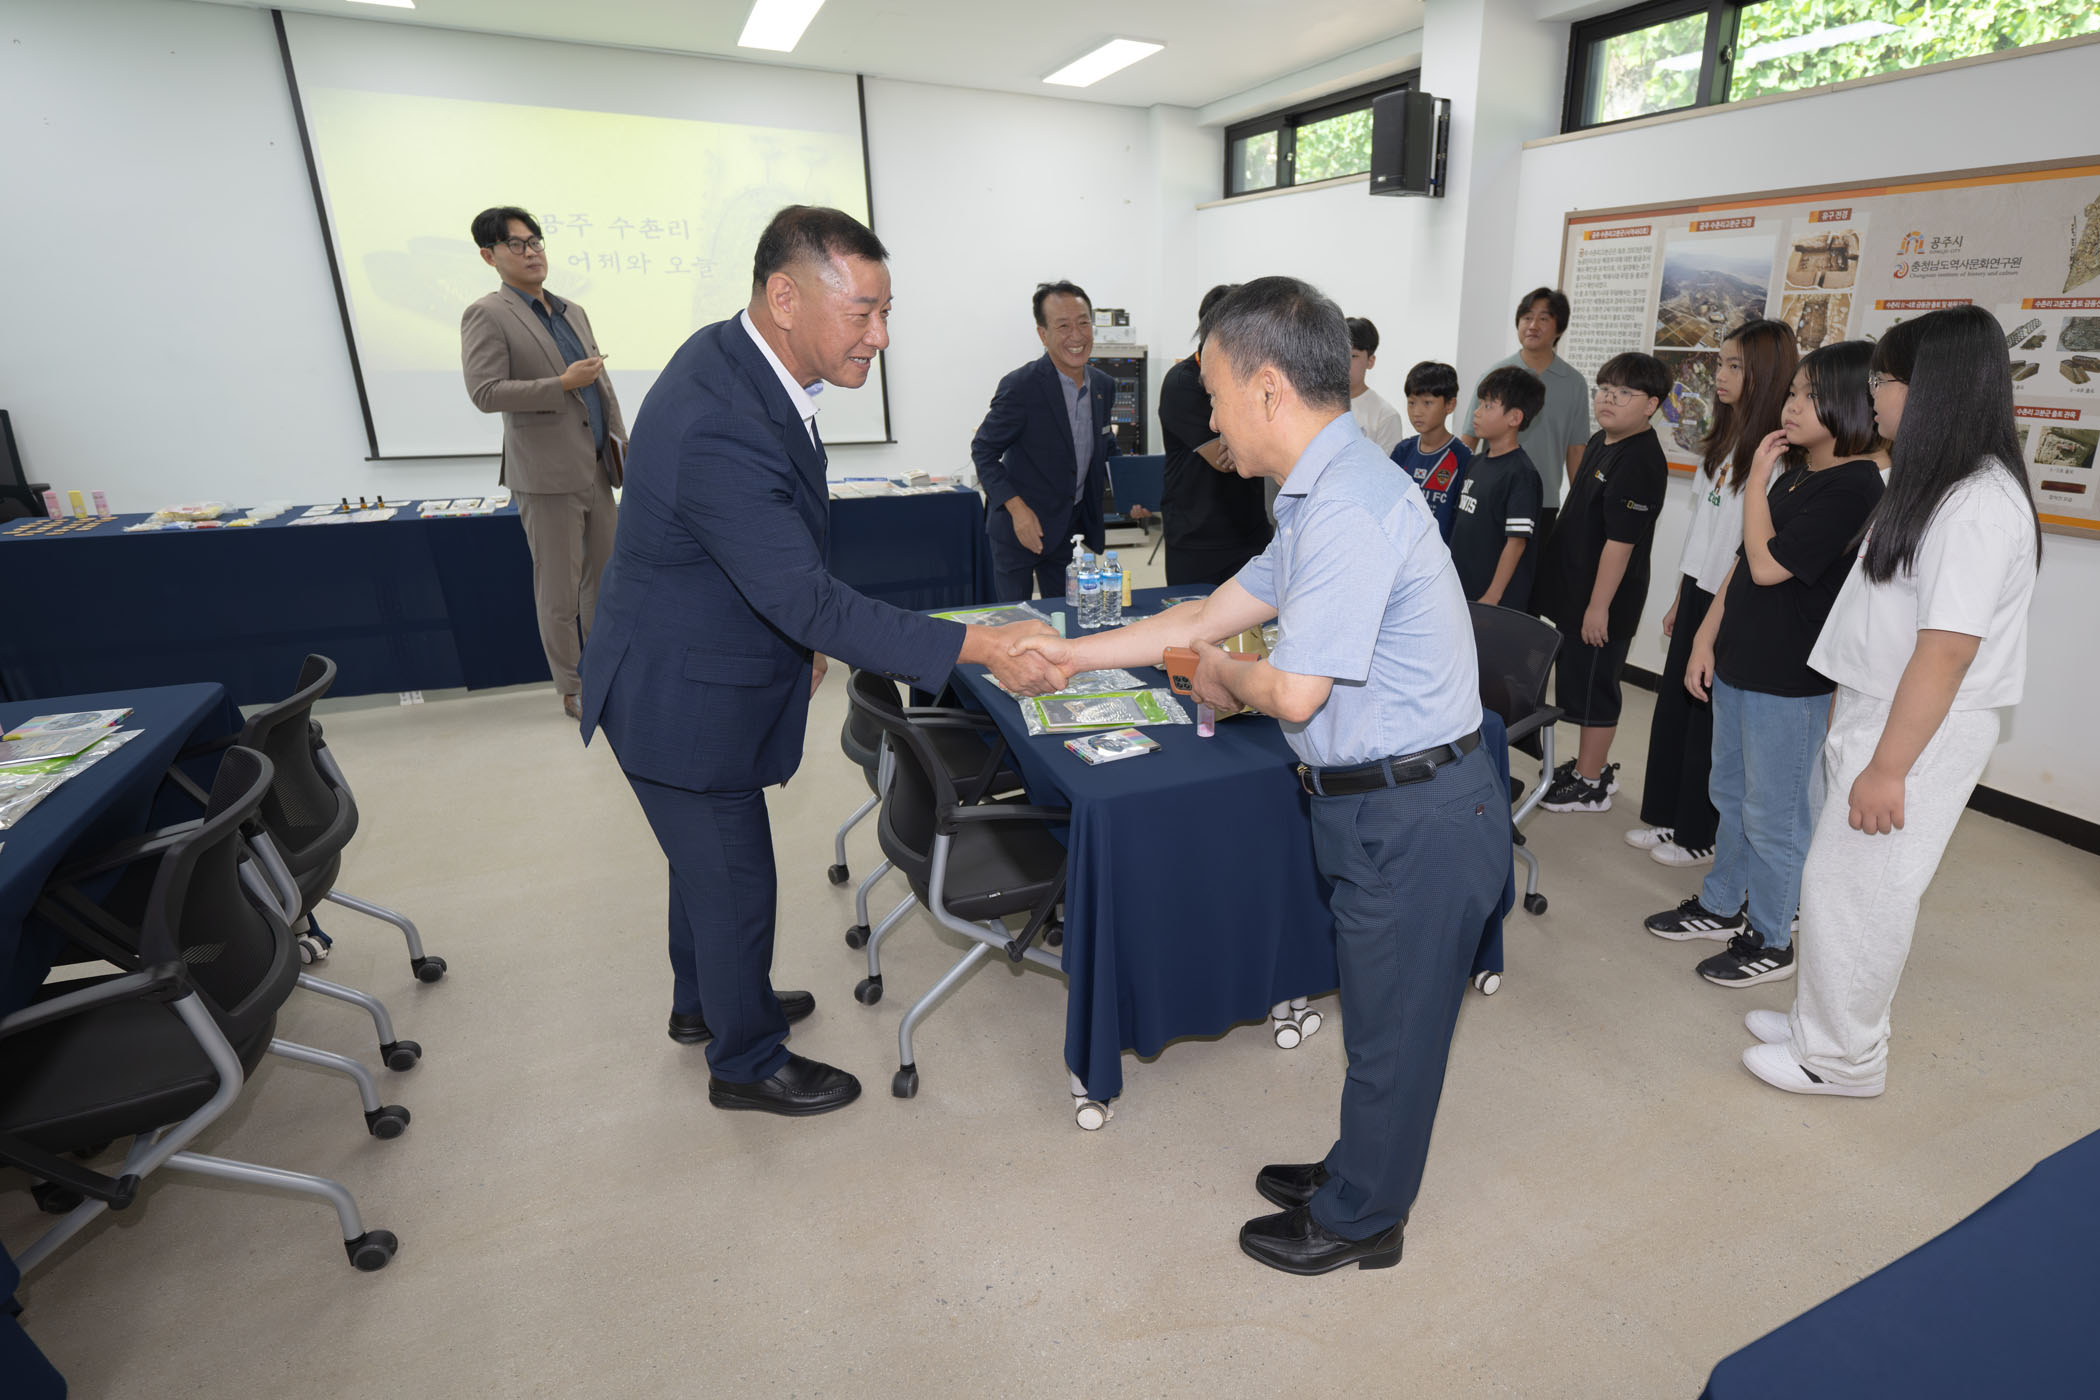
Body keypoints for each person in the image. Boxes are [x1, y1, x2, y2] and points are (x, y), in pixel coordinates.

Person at [1013, 277, 1508, 1277]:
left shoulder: (1351, 505)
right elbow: (1206, 613)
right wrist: (1070, 655)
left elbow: (1288, 690)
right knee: (1380, 1014)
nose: (1208, 419)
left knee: (1395, 1032)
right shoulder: (1322, 492)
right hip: (1379, 803)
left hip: (1415, 813)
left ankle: (1365, 1217)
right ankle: (1358, 1168)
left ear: (1268, 388)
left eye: (1213, 394)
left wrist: (1219, 675)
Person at [578, 206, 1064, 1118]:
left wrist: (799, 640)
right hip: (678, 693)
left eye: (887, 312)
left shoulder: (737, 358)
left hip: (691, 657)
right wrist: (982, 646)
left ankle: (706, 1004)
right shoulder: (722, 419)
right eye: (862, 313)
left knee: (701, 868)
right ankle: (745, 1060)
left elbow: (773, 559)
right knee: (733, 877)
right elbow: (806, 596)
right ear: (785, 297)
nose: (880, 337)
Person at [1741, 306, 2039, 1097]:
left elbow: (1946, 651)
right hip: (1882, 708)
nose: (1872, 393)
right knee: (1835, 880)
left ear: (1935, 386)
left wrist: (1888, 767)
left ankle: (1842, 1059)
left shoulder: (1977, 503)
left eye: (1884, 379)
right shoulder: (1934, 481)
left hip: (1918, 727)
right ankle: (1820, 1021)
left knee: (1863, 892)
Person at [1646, 342, 1886, 988]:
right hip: (1740, 663)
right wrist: (1705, 639)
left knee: (1775, 816)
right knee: (1731, 795)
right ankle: (1723, 902)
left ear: (1850, 405)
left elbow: (1767, 564)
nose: (1792, 406)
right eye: (1793, 393)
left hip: (1789, 680)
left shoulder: (1855, 486)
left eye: (1810, 396)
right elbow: (1738, 569)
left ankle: (1772, 938)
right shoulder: (1798, 472)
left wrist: (1755, 480)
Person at [1629, 319, 1797, 868]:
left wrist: (1711, 609)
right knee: (1675, 711)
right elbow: (1702, 530)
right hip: (1699, 588)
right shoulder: (1724, 439)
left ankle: (1700, 832)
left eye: (1734, 366)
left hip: (1735, 598)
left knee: (1708, 722)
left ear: (1766, 374)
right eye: (1720, 363)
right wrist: (1682, 597)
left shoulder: (1778, 454)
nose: (1720, 376)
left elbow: (1750, 547)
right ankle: (1670, 816)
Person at [461, 205, 628, 720]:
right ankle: (573, 687)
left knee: (606, 583)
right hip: (545, 476)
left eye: (536, 241)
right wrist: (560, 384)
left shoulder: (572, 310)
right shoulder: (487, 314)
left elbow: (600, 385)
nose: (532, 252)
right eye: (517, 244)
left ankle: (607, 672)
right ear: (489, 256)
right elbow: (485, 392)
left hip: (597, 467)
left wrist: (621, 446)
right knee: (559, 591)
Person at [1532, 352, 1672, 813]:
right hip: (1578, 594)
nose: (1609, 399)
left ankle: (1592, 782)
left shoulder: (1640, 459)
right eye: (1605, 389)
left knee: (1595, 688)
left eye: (1624, 393)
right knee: (1576, 683)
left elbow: (1620, 543)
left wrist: (1598, 608)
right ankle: (1586, 767)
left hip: (1604, 601)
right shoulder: (1602, 440)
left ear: (1651, 405)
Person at [972, 281, 1119, 601]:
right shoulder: (1021, 386)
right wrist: (1017, 510)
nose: (1077, 335)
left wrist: (1131, 489)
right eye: (1063, 326)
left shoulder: (1103, 386)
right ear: (1043, 334)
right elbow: (983, 451)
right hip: (1018, 528)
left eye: (1083, 323)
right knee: (1016, 620)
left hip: (1068, 529)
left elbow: (1105, 447)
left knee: (1065, 616)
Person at [1158, 284, 1273, 585]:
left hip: (1250, 532)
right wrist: (1263, 443)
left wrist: (1248, 445)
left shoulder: (1254, 378)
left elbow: (1249, 450)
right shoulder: (1183, 384)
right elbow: (1225, 460)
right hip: (1198, 539)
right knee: (1197, 614)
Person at [1462, 287, 1592, 530]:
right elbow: (1469, 438)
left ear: (1559, 328)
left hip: (1543, 501)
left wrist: (1581, 507)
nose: (1533, 325)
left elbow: (1576, 450)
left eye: (1543, 318)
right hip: (1491, 492)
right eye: (1527, 317)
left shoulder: (1574, 383)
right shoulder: (1495, 374)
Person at [1453, 365, 1544, 611]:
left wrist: (1492, 596)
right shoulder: (1475, 463)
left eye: (1488, 406)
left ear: (1514, 418)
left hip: (1493, 602)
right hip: (1463, 591)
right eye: (1480, 403)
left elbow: (1516, 543)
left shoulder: (1521, 474)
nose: (1477, 412)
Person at [1391, 361, 1471, 542]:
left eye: (1427, 403)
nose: (1417, 412)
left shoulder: (1463, 458)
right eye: (1411, 403)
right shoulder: (1402, 451)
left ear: (1450, 405)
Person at [1346, 317, 1407, 454]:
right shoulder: (1316, 405)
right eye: (1341, 353)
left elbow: (1386, 465)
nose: (1345, 361)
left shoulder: (1385, 416)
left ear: (1370, 361)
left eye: (1353, 356)